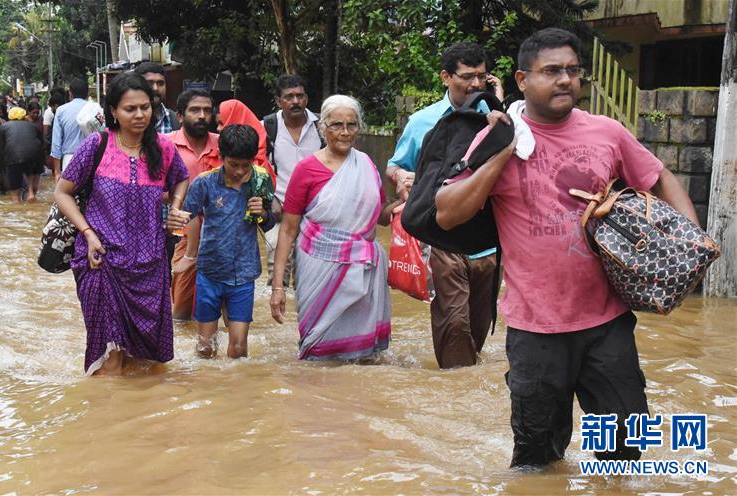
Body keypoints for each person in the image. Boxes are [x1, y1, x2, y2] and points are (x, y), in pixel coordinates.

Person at [435, 28, 700, 468]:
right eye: (552, 71)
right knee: (537, 456)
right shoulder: (498, 137)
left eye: (573, 72)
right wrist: (503, 152)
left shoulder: (607, 132)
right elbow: (447, 213)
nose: (565, 81)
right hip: (535, 327)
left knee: (625, 448)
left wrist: (692, 243)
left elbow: (658, 177)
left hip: (607, 321)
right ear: (522, 79)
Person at [53, 73, 189, 376]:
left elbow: (181, 179)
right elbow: (62, 193)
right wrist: (87, 234)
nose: (140, 115)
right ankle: (104, 419)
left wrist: (175, 209)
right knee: (110, 360)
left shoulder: (163, 148)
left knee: (145, 363)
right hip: (101, 262)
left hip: (151, 266)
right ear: (113, 111)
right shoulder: (96, 145)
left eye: (145, 107)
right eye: (130, 109)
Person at [386, 41, 505, 369]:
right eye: (467, 77)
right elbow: (394, 165)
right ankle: (457, 391)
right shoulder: (423, 122)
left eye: (482, 77)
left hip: (488, 244)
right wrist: (402, 178)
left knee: (479, 328)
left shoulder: (495, 118)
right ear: (445, 77)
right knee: (454, 324)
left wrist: (502, 103)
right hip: (442, 241)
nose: (476, 84)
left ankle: (464, 391)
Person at [269, 95, 398, 361]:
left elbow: (380, 217)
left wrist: (405, 203)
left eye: (351, 125)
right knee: (317, 350)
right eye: (337, 125)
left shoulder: (366, 165)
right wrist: (278, 287)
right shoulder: (306, 170)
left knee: (363, 358)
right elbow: (289, 229)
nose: (345, 132)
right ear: (323, 128)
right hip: (317, 268)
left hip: (363, 269)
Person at [168, 124, 276, 358]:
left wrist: (264, 213)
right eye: (233, 164)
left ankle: (236, 391)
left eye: (245, 166)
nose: (239, 171)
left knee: (238, 348)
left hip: (244, 275)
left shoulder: (260, 181)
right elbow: (188, 216)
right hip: (209, 272)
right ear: (221, 157)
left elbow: (268, 223)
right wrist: (187, 252)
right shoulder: (204, 183)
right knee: (206, 348)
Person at [261, 75, 323, 289]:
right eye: (289, 97)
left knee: (311, 274)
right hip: (280, 212)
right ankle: (278, 318)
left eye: (300, 96)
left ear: (306, 98)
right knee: (277, 271)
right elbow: (256, 168)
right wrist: (269, 200)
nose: (295, 101)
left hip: (316, 214)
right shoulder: (267, 127)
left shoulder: (323, 128)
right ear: (279, 101)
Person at [165, 89, 220, 321]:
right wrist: (185, 198)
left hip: (222, 234)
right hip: (183, 234)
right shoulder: (165, 145)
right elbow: (151, 187)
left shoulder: (223, 144)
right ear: (180, 115)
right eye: (195, 110)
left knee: (223, 307)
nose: (202, 116)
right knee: (180, 312)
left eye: (207, 110)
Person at [0, 106, 44, 203]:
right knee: (30, 169)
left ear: (9, 118)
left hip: (13, 156)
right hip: (34, 155)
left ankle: (17, 208)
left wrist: (3, 170)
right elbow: (41, 146)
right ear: (24, 117)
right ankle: (30, 192)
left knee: (15, 191)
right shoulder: (34, 126)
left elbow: (0, 150)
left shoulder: (3, 127)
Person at [50, 78, 89, 180]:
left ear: (70, 93)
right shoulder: (95, 109)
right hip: (91, 158)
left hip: (69, 159)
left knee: (67, 194)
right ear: (87, 92)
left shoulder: (61, 111)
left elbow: (56, 143)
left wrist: (57, 172)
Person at [133, 62, 180, 134]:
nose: (155, 88)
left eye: (160, 83)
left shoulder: (176, 121)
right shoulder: (128, 120)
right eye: (149, 83)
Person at [25, 101, 47, 194]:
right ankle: (30, 192)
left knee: (37, 173)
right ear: (28, 112)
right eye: (33, 112)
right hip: (28, 152)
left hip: (39, 151)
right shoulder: (24, 121)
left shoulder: (40, 120)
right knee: (29, 173)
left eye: (37, 112)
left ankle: (34, 193)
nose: (35, 114)